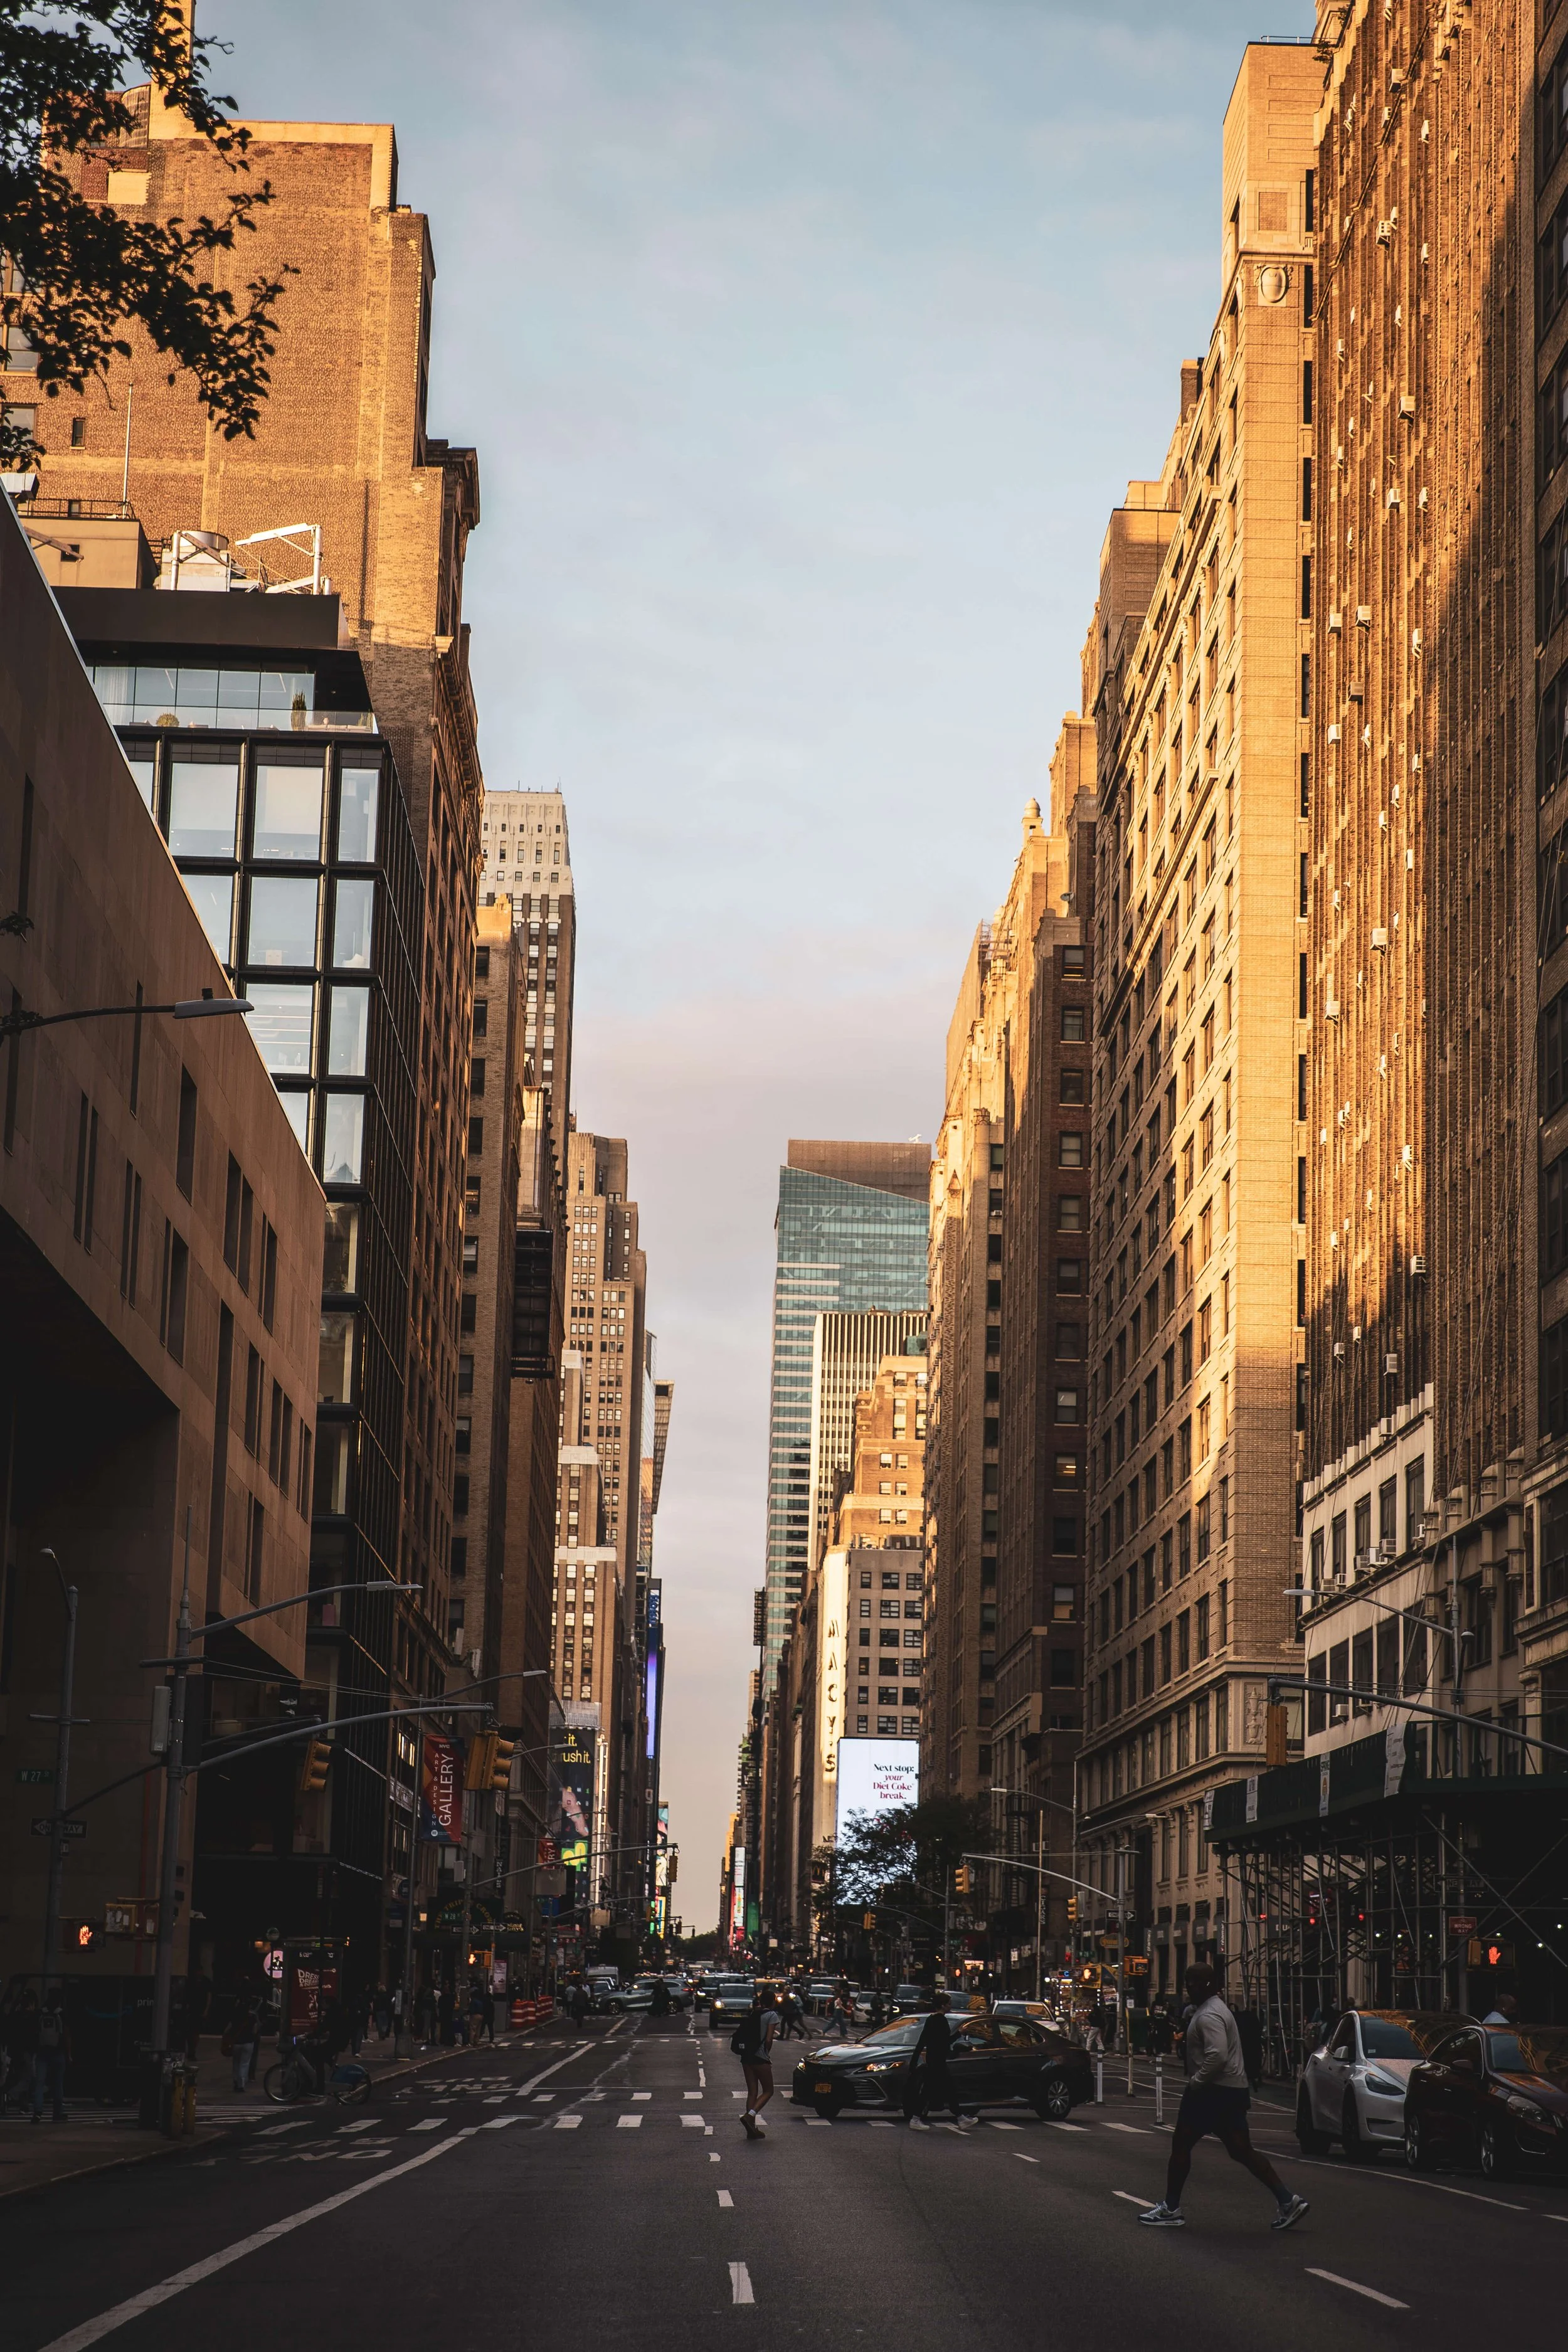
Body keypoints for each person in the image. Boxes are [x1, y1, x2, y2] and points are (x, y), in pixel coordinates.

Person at [1139, 1966, 1308, 2232]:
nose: (1189, 1987)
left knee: (1181, 2144)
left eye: (1194, 1982)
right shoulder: (1216, 2009)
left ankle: (1171, 2208)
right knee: (1241, 2150)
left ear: (1209, 1984)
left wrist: (1197, 2081)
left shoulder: (1209, 2015)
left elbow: (1217, 2055)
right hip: (1231, 2089)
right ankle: (1288, 2200)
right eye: (1187, 1982)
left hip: (1212, 2090)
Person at [903, 1992, 974, 2131]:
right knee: (932, 2090)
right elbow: (945, 2041)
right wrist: (960, 2033)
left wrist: (914, 2060)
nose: (950, 2006)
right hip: (938, 2062)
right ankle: (916, 2119)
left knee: (946, 2090)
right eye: (949, 2004)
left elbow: (922, 2041)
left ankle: (961, 2118)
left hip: (933, 2060)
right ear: (943, 2005)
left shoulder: (931, 2019)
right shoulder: (941, 2021)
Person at [734, 1986, 779, 2138]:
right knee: (769, 2090)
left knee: (752, 2091)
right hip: (760, 2057)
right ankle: (750, 2116)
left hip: (746, 2057)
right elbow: (769, 2039)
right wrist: (767, 2053)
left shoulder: (754, 2013)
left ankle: (751, 2129)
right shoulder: (772, 2015)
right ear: (773, 2002)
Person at [31, 1984, 70, 2124]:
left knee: (39, 2084)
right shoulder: (62, 2013)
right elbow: (66, 2035)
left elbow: (34, 2033)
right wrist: (69, 2054)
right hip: (58, 2053)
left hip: (42, 2053)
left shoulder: (40, 2013)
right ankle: (57, 2113)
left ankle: (37, 2113)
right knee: (58, 2084)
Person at [226, 1988, 260, 2094]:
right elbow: (255, 2030)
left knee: (236, 2062)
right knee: (245, 2063)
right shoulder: (252, 2016)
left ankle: (236, 2081)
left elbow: (229, 2028)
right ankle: (241, 2084)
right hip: (248, 2042)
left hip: (237, 2042)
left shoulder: (235, 2014)